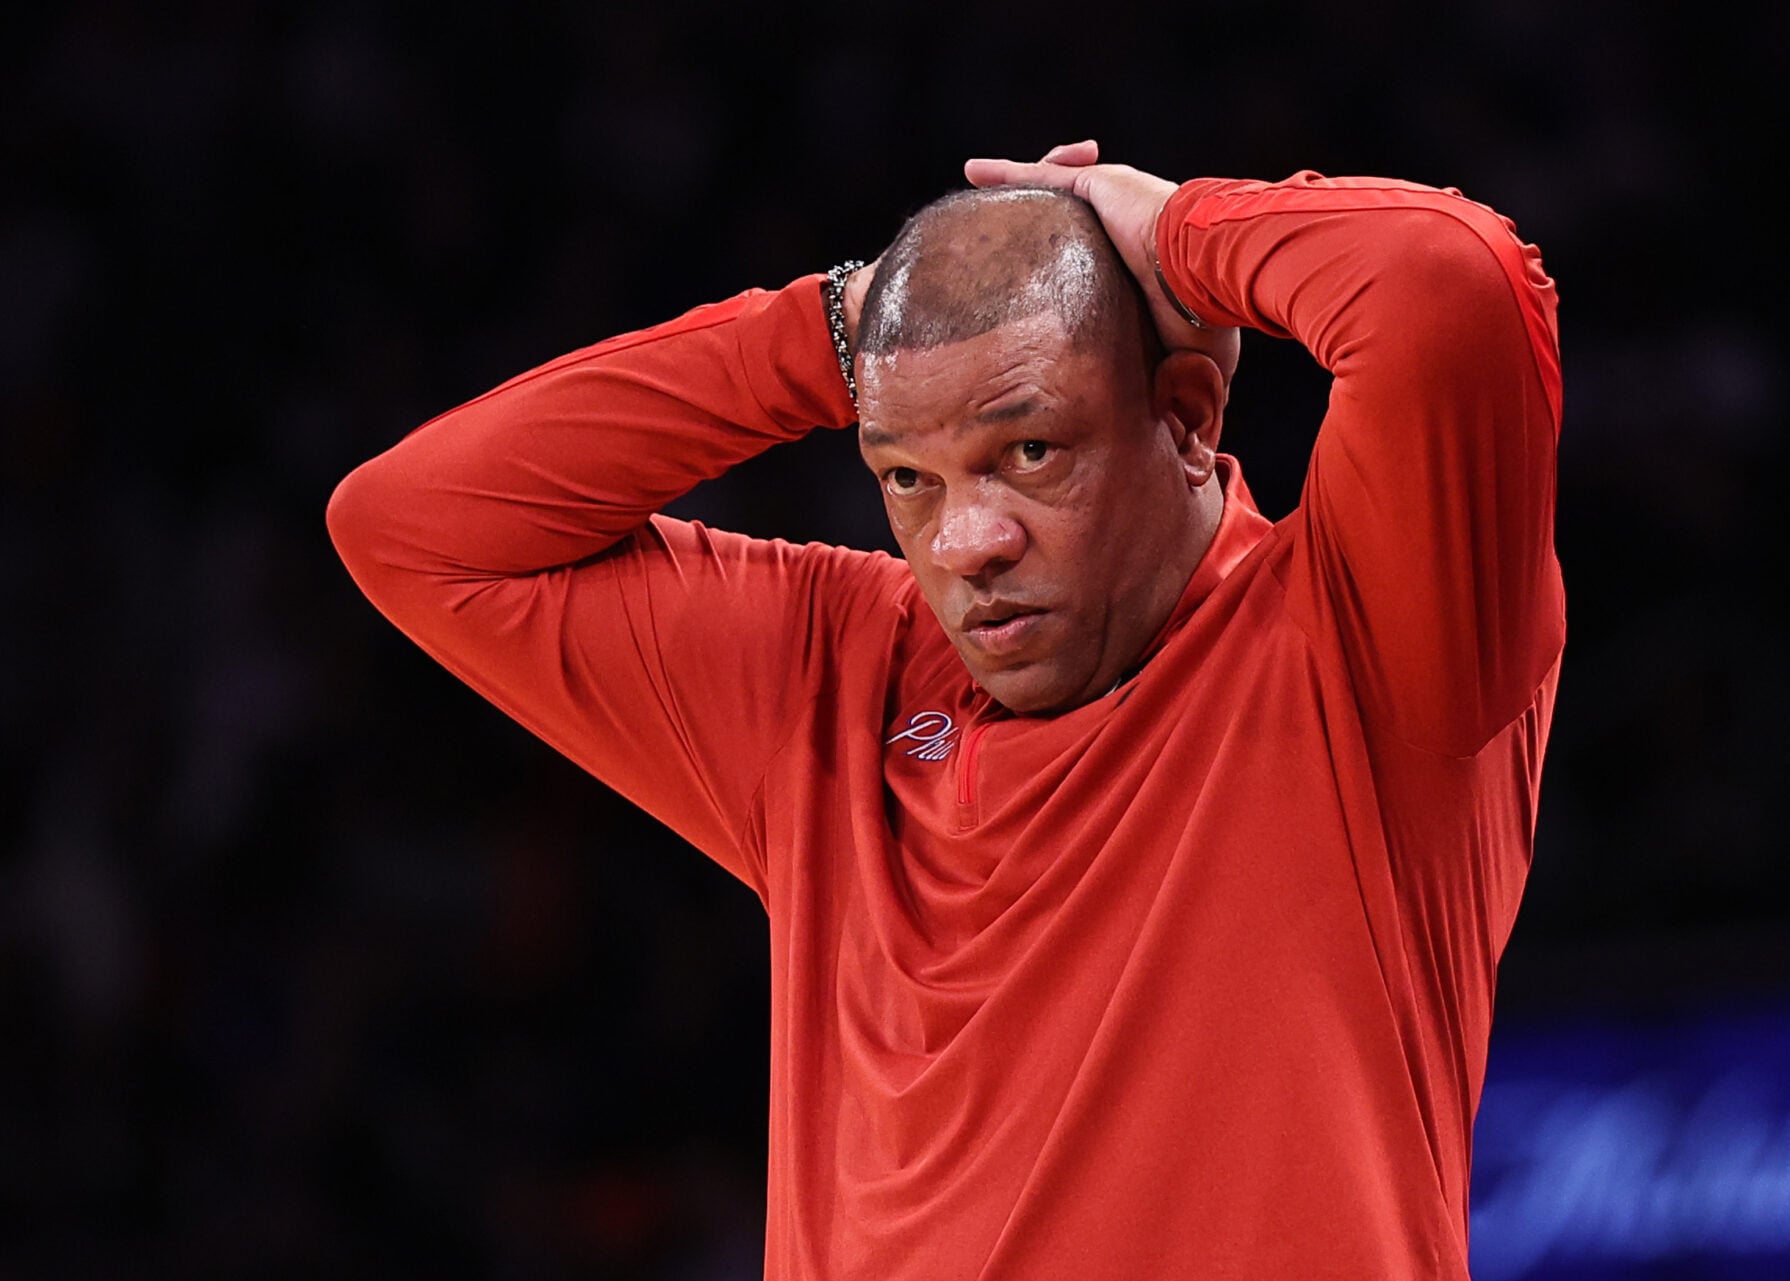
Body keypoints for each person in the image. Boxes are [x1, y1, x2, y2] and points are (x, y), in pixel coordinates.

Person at [328, 139, 1564, 1279]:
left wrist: (1174, 232)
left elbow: (1444, 282)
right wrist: (839, 328)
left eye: (1030, 453)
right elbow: (411, 529)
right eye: (909, 478)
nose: (967, 541)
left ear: (1186, 417)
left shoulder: (1367, 644)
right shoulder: (835, 674)